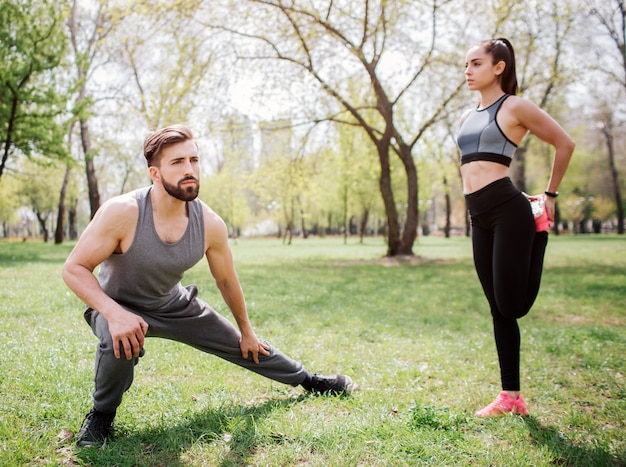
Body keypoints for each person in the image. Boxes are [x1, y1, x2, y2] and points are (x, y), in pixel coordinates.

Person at [62, 124, 355, 448]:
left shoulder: (210, 224)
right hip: (116, 304)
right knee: (118, 340)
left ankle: (308, 380)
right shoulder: (123, 212)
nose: (190, 170)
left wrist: (246, 329)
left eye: (194, 160)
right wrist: (113, 313)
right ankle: (101, 417)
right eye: (177, 163)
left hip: (173, 304)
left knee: (245, 344)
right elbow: (74, 268)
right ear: (155, 174)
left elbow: (226, 279)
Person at [457, 38, 574, 416]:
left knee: (512, 305)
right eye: (466, 65)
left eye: (476, 64)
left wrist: (550, 194)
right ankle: (511, 398)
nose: (468, 71)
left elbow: (564, 143)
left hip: (509, 211)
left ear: (499, 67)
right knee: (498, 309)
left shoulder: (515, 107)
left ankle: (539, 233)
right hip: (479, 217)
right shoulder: (466, 115)